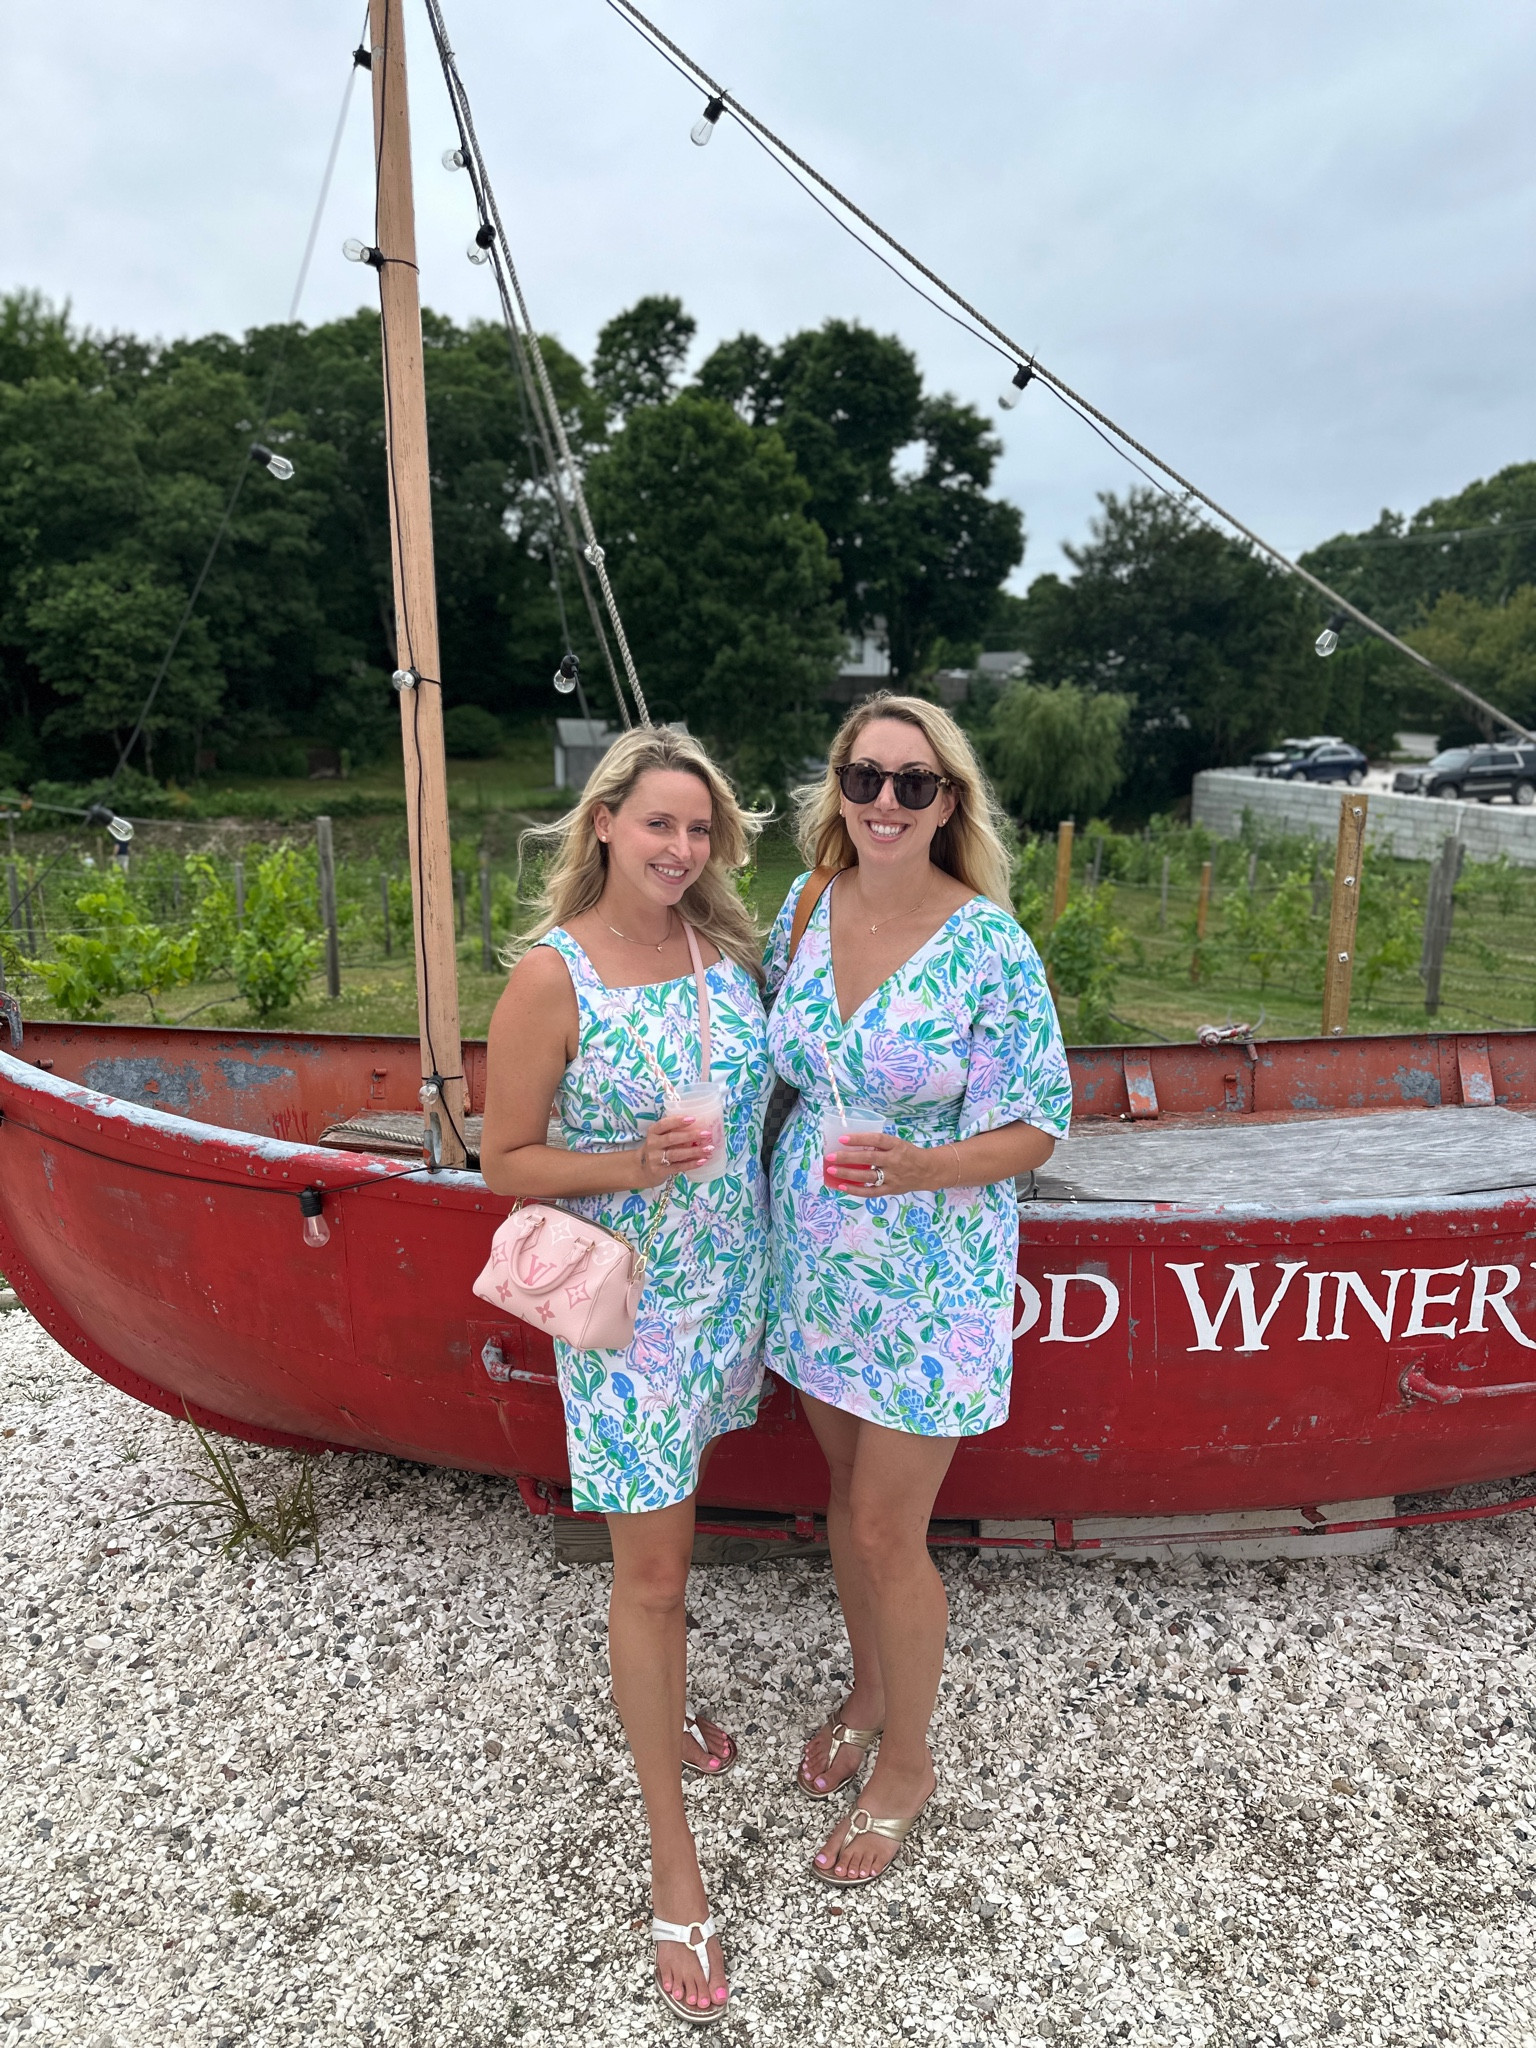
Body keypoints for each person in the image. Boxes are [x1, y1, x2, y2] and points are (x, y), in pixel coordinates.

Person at [480, 727, 772, 2025]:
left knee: (682, 1537)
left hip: (731, 1292)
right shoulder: (554, 979)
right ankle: (673, 1867)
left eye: (699, 830)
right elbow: (505, 1161)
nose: (680, 848)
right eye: (658, 824)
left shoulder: (724, 955)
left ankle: (675, 1713)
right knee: (650, 1575)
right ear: (603, 822)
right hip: (628, 1310)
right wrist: (630, 1164)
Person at [763, 691, 1071, 1887]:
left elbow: (1040, 1123)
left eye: (913, 781)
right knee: (848, 1494)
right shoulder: (803, 908)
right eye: (863, 775)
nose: (884, 801)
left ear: (951, 801)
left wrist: (923, 1163)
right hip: (816, 1256)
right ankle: (867, 1688)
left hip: (929, 1271)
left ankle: (909, 1758)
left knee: (893, 1525)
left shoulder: (987, 942)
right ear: (836, 787)